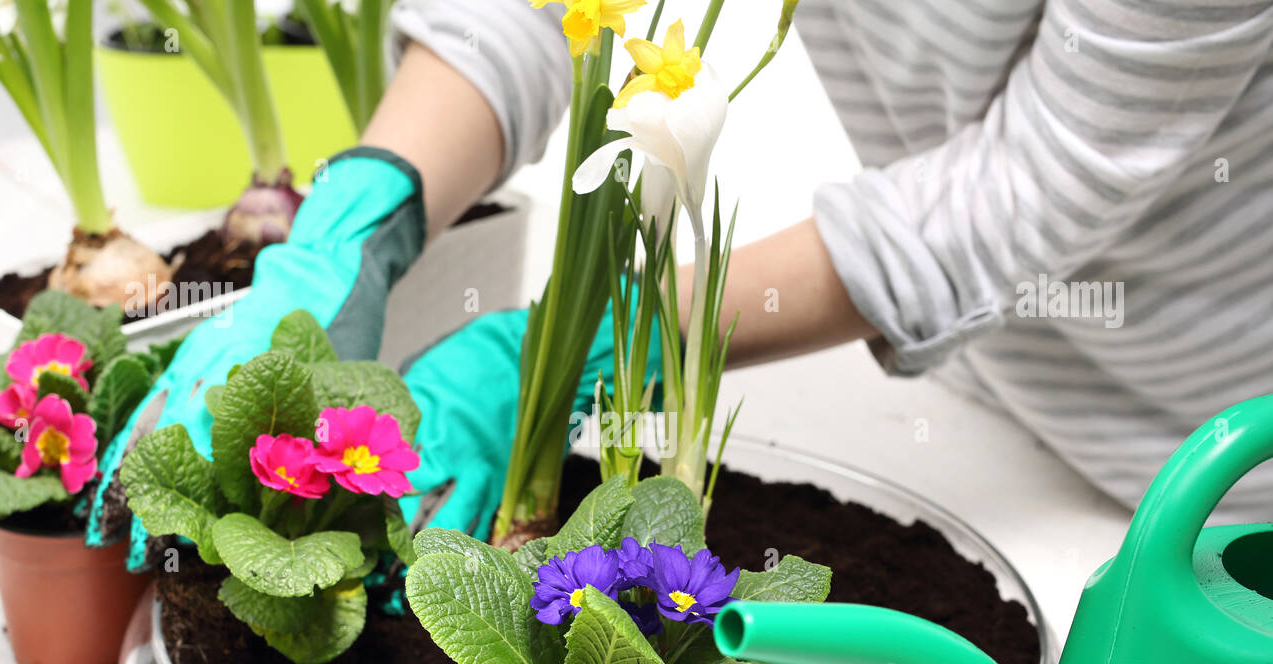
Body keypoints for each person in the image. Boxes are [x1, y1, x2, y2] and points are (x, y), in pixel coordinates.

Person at [93, 0, 1273, 556]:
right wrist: (365, 210)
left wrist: (580, 350)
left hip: (1215, 433)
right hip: (983, 391)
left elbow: (1042, 175)